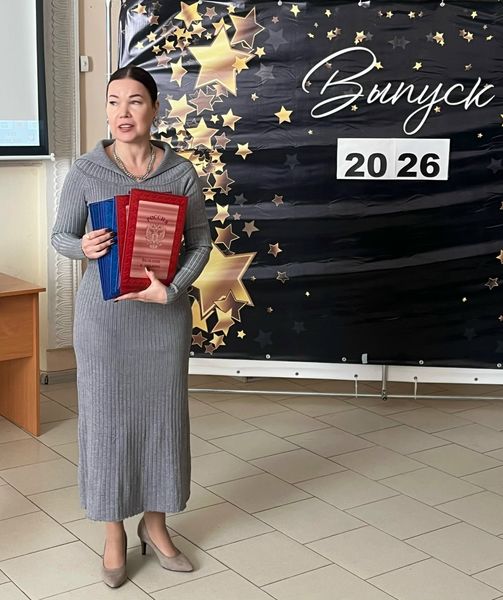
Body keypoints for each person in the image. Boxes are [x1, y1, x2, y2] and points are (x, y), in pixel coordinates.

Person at [51, 65, 212, 588]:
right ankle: (114, 532)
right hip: (105, 322)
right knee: (107, 425)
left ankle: (156, 525)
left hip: (162, 320)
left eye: (135, 101)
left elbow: (201, 243)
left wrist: (174, 289)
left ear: (154, 109)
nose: (123, 112)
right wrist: (83, 245)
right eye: (114, 101)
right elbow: (60, 236)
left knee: (162, 422)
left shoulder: (180, 172)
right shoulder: (86, 171)